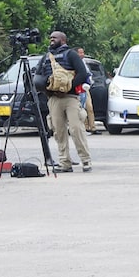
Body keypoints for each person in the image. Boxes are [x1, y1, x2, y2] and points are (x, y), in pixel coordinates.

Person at [35, 32, 92, 172]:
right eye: (50, 38)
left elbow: (83, 74)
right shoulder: (46, 57)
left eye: (54, 37)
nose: (51, 39)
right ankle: (65, 162)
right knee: (58, 131)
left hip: (70, 97)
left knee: (76, 129)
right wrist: (46, 89)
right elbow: (38, 76)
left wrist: (68, 87)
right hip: (53, 99)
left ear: (63, 40)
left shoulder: (71, 54)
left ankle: (85, 160)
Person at [76, 48, 98, 134]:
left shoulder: (84, 62)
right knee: (82, 108)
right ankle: (85, 127)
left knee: (90, 107)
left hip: (86, 87)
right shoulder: (75, 63)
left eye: (83, 52)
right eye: (80, 53)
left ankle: (93, 127)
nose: (82, 54)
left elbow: (88, 73)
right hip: (79, 88)